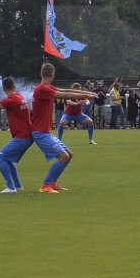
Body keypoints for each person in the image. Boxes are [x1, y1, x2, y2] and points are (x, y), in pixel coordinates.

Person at [31, 62, 98, 193]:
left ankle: (53, 183)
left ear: (41, 74)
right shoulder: (42, 89)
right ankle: (45, 186)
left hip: (45, 132)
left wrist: (86, 93)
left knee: (69, 154)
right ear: (52, 75)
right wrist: (86, 95)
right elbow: (66, 95)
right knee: (64, 156)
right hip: (40, 132)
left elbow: (66, 91)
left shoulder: (46, 87)